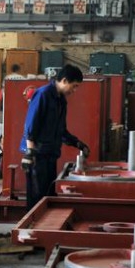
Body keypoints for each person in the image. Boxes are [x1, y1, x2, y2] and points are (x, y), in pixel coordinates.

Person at [19, 64, 90, 210]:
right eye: (74, 86)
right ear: (64, 80)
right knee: (37, 197)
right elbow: (31, 124)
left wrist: (77, 143)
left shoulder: (61, 100)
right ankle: (33, 223)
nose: (74, 90)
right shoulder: (43, 94)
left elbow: (61, 130)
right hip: (37, 155)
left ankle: (44, 222)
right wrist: (30, 153)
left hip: (50, 154)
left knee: (48, 194)